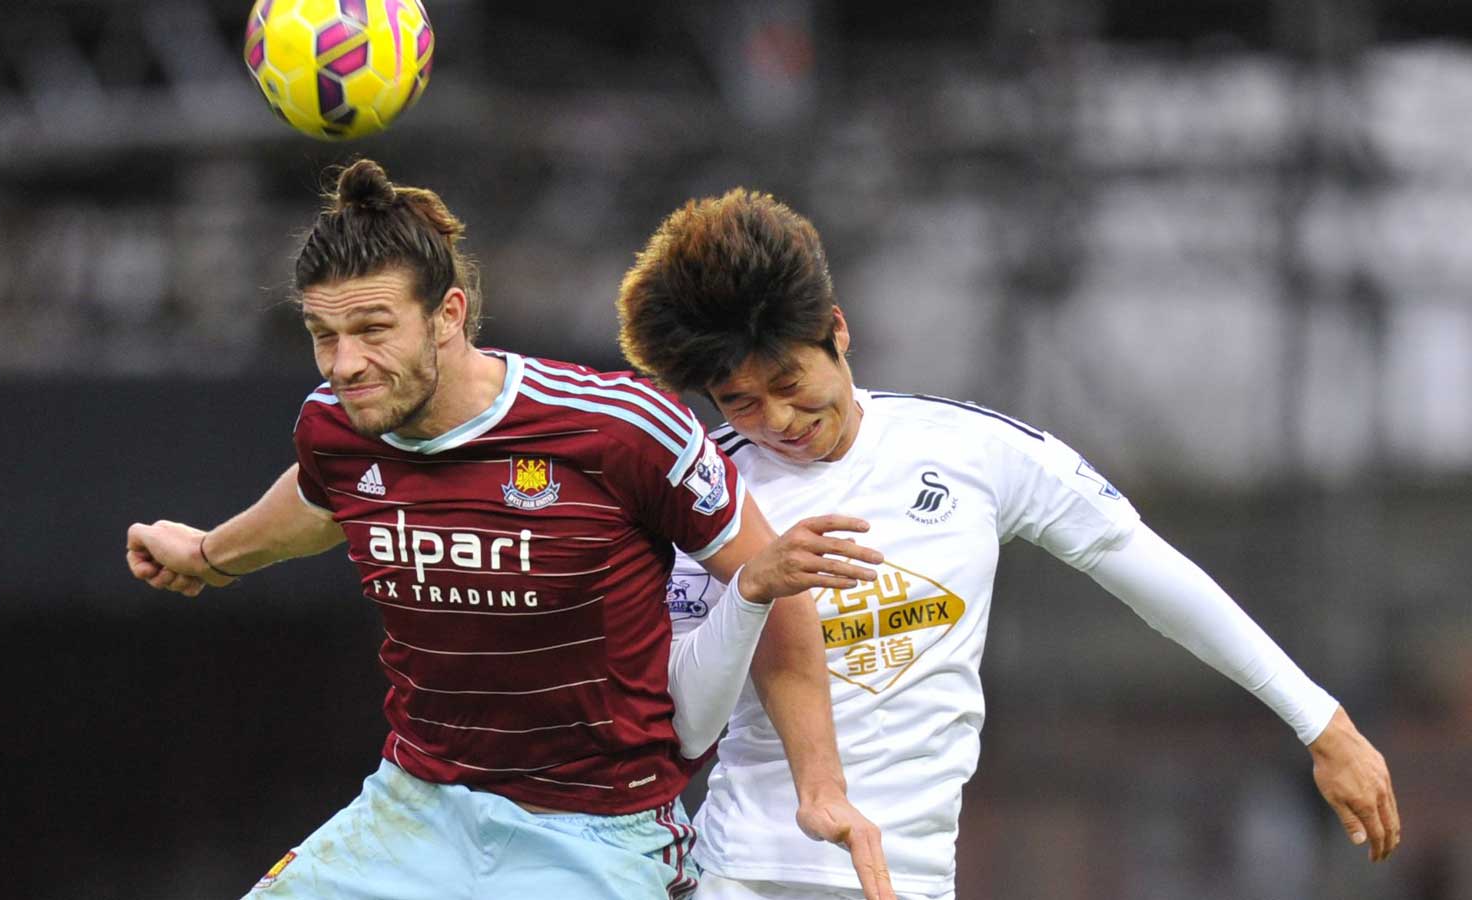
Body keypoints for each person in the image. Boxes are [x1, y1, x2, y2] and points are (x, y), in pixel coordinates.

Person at [125, 160, 897, 900]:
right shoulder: (337, 426)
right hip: (414, 810)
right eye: (323, 335)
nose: (344, 363)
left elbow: (774, 585)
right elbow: (319, 498)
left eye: (372, 328)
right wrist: (207, 553)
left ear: (448, 315)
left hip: (596, 836)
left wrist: (821, 789)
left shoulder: (623, 427)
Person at [615, 188, 1402, 900]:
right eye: (740, 402)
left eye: (789, 383)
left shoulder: (975, 451)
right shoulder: (704, 492)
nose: (777, 421)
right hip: (748, 872)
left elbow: (1151, 575)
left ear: (838, 331)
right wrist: (753, 587)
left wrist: (1321, 723)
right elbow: (685, 723)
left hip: (911, 878)